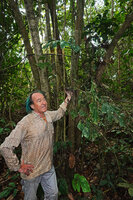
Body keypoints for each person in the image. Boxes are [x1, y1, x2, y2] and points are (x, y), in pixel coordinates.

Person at [0, 90, 72, 200]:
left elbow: (59, 113)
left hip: (48, 167)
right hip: (31, 171)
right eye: (39, 100)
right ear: (32, 106)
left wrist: (67, 99)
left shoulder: (47, 115)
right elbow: (5, 147)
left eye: (44, 99)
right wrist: (17, 166)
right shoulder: (26, 123)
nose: (44, 102)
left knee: (53, 194)